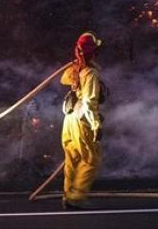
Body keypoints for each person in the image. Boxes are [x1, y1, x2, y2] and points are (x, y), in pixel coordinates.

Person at [60, 31, 105, 210]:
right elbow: (90, 101)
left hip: (68, 121)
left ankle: (67, 195)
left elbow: (63, 78)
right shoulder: (90, 73)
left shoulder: (74, 70)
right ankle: (76, 197)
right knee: (91, 159)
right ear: (93, 53)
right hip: (81, 120)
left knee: (72, 159)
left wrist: (76, 63)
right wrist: (96, 125)